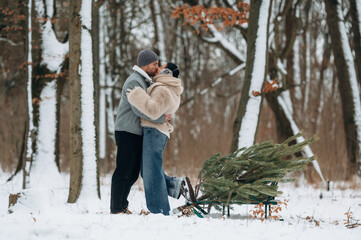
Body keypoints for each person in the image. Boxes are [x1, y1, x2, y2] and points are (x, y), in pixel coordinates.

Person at [127, 62, 194, 215]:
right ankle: (177, 185)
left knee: (151, 173)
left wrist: (137, 96)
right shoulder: (169, 88)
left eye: (160, 67)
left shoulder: (163, 89)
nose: (156, 69)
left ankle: (160, 211)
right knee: (149, 171)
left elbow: (153, 110)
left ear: (166, 71)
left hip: (154, 132)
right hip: (157, 132)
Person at [110, 49, 167, 214]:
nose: (157, 67)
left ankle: (122, 205)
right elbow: (140, 109)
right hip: (127, 131)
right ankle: (116, 208)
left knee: (133, 172)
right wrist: (162, 118)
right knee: (124, 169)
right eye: (154, 64)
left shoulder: (144, 80)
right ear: (145, 64)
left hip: (135, 133)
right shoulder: (133, 81)